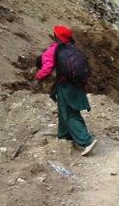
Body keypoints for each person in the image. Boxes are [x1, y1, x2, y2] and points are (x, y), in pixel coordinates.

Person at [36, 25, 98, 156]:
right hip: (76, 84)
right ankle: (64, 136)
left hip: (64, 86)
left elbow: (47, 68)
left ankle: (87, 141)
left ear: (56, 36)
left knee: (69, 113)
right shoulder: (73, 48)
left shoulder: (54, 49)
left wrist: (38, 76)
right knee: (65, 110)